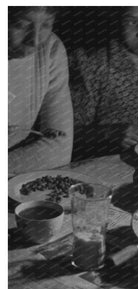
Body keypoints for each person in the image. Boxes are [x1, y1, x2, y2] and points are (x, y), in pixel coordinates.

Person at [69, 6, 138, 161]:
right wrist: (110, 133)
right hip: (108, 173)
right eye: (131, 22)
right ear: (119, 20)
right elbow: (62, 135)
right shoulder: (93, 64)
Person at [8, 6, 74, 175]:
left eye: (46, 25)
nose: (35, 40)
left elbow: (60, 147)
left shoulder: (50, 50)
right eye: (20, 25)